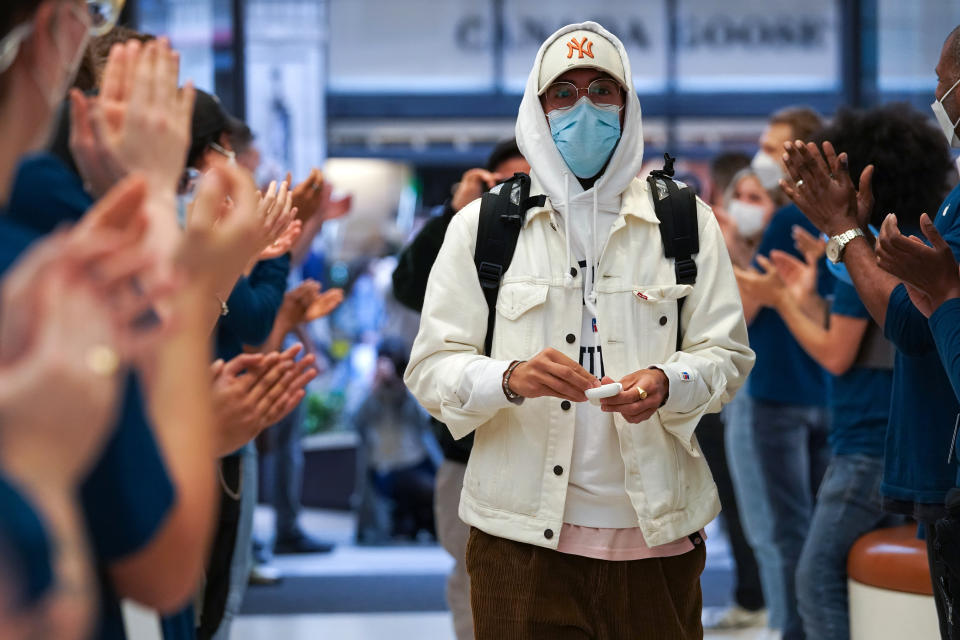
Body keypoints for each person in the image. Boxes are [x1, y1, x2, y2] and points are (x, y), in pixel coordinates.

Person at [405, 22, 754, 639]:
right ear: (537, 110)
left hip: (657, 540)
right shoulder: (483, 226)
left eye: (602, 91)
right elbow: (431, 368)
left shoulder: (683, 220)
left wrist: (668, 382)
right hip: (519, 544)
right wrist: (509, 378)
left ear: (627, 104)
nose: (583, 109)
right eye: (562, 93)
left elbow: (725, 354)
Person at [738, 103, 952, 639]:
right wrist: (804, 291)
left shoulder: (879, 261)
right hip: (877, 440)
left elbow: (844, 348)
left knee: (812, 574)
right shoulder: (890, 255)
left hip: (867, 445)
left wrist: (785, 298)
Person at [778, 25, 960, 639]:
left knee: (813, 576)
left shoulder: (889, 251)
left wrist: (836, 242)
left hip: (871, 442)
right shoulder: (916, 237)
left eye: (942, 81)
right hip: (894, 442)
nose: (938, 94)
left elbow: (879, 335)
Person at [392, 137, 529, 640]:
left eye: (528, 180)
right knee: (471, 567)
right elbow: (407, 287)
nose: (516, 192)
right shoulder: (468, 232)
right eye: (504, 183)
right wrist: (458, 213)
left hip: (539, 436)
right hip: (465, 444)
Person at [736, 105, 829, 640]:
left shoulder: (789, 216)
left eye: (773, 149)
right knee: (811, 531)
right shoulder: (828, 216)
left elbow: (747, 307)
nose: (762, 158)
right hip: (821, 390)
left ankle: (793, 630)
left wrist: (723, 255)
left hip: (772, 394)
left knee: (777, 534)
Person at [698, 157, 770, 632]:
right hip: (724, 401)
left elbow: (748, 310)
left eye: (756, 198)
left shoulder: (780, 252)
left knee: (757, 507)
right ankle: (753, 592)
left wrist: (734, 256)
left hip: (766, 402)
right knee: (733, 501)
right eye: (738, 197)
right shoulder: (714, 250)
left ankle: (762, 597)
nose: (744, 208)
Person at [354, 337, 437, 540]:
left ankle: (415, 524)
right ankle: (407, 523)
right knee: (423, 487)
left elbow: (423, 422)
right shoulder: (368, 389)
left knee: (438, 485)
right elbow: (356, 422)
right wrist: (374, 389)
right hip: (387, 467)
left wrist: (406, 388)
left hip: (416, 461)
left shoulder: (410, 387)